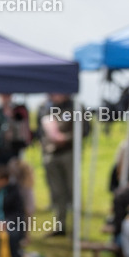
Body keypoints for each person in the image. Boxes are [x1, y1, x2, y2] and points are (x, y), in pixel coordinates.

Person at [37, 93, 77, 236]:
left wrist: (65, 138)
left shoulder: (76, 107)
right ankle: (60, 225)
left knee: (72, 190)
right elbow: (40, 129)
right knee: (57, 192)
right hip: (51, 153)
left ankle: (75, 226)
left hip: (68, 153)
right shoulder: (46, 107)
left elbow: (83, 131)